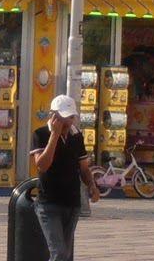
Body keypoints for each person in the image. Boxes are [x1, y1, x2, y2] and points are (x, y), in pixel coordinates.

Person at [30, 93, 100, 261]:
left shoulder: (77, 136)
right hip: (49, 203)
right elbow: (42, 165)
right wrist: (54, 136)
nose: (68, 122)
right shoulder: (40, 134)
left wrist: (91, 185)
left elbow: (83, 168)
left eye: (71, 118)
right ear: (53, 116)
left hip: (72, 202)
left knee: (66, 255)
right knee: (58, 253)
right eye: (63, 117)